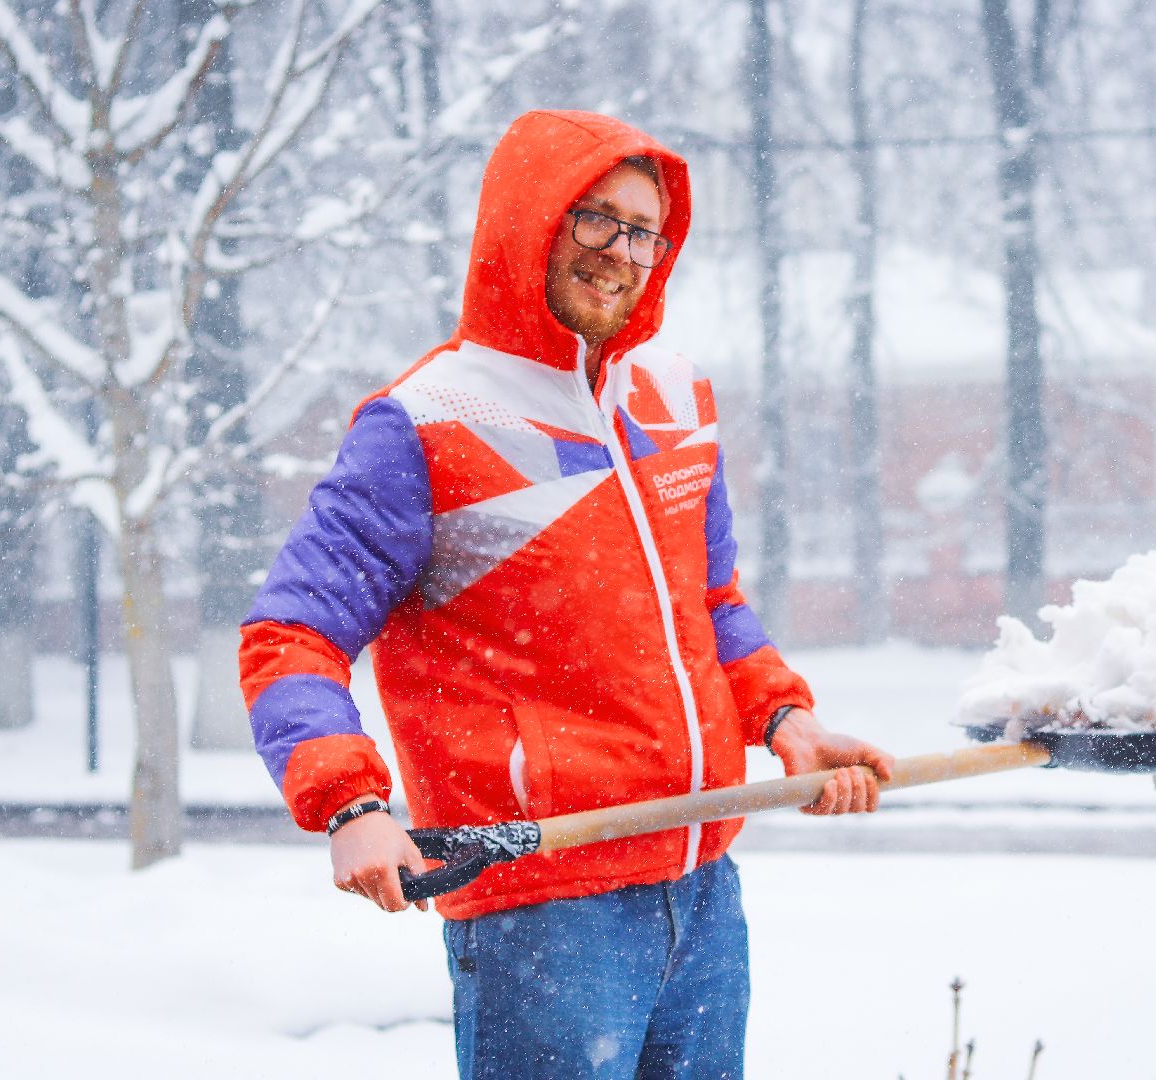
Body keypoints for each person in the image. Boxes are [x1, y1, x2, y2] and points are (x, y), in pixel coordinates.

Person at [238, 110, 894, 1079]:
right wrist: (349, 803)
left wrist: (784, 714)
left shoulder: (672, 396)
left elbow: (709, 603)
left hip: (701, 888)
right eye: (595, 218)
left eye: (643, 231)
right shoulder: (427, 422)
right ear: (527, 219)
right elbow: (290, 633)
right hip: (543, 907)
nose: (620, 252)